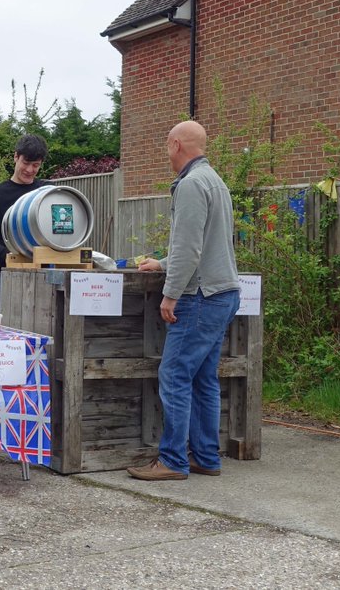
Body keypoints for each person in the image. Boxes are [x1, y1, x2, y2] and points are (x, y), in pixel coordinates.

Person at [128, 120, 240, 481]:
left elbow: (190, 249)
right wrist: (161, 262)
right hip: (223, 294)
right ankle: (206, 457)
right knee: (203, 378)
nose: (166, 152)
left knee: (174, 374)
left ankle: (173, 461)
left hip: (200, 296)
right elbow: (201, 242)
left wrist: (170, 292)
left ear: (176, 144)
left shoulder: (190, 185)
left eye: (166, 144)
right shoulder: (215, 181)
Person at [0, 134, 48, 312]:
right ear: (16, 157)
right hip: (8, 275)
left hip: (46, 275)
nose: (30, 170)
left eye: (36, 165)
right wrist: (7, 256)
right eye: (26, 163)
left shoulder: (46, 191)